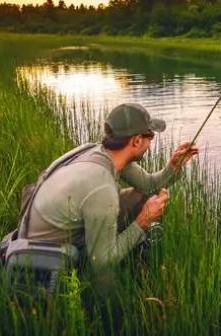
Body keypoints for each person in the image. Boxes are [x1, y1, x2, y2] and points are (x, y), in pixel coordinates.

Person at [19, 102, 198, 269]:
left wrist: (174, 166)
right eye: (149, 136)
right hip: (46, 257)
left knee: (141, 198)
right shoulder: (102, 186)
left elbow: (149, 186)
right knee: (107, 255)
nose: (150, 143)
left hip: (50, 230)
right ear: (136, 141)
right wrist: (143, 221)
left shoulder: (100, 152)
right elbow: (101, 261)